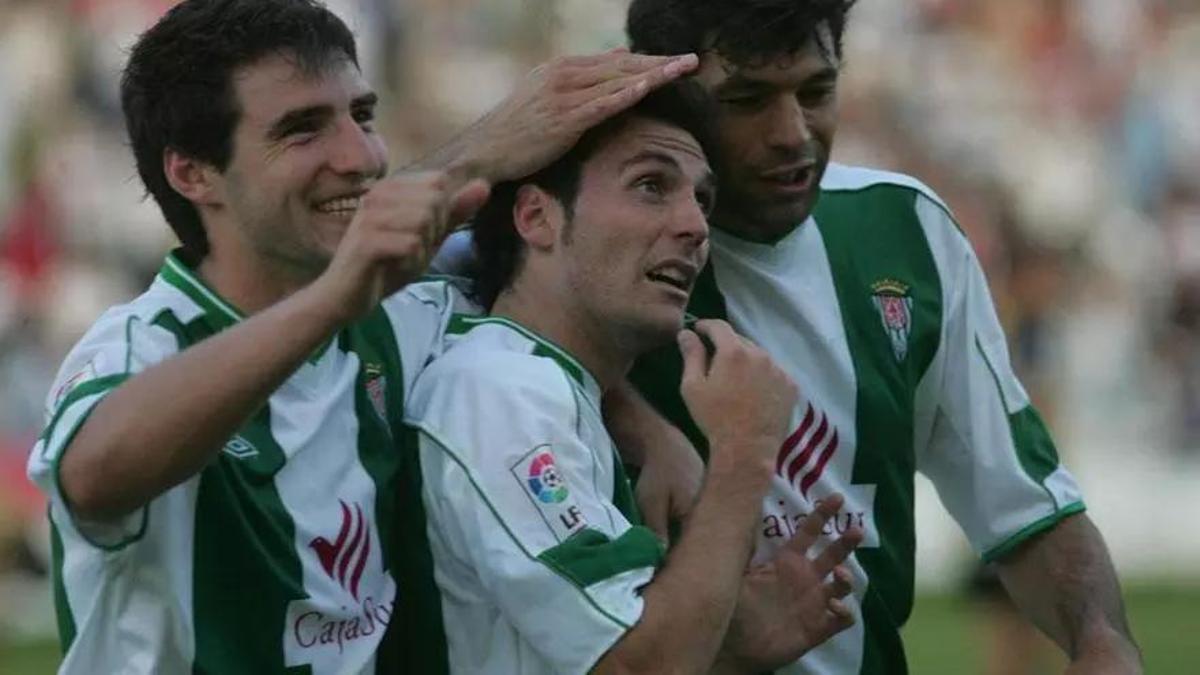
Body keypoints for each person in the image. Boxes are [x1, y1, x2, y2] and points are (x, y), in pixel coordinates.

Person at [422, 1, 1143, 673]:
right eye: (746, 99)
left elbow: (1029, 508)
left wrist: (1103, 643)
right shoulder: (575, 254)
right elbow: (388, 302)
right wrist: (639, 413)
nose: (793, 132)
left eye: (817, 91)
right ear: (663, 86)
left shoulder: (905, 237)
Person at [25, 1, 498, 672]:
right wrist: (331, 300)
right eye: (302, 130)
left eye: (362, 116)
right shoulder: (140, 346)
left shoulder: (402, 319)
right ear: (192, 172)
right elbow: (91, 476)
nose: (361, 157)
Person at [407, 81, 861, 675]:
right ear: (537, 216)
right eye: (652, 185)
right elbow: (637, 669)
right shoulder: (501, 390)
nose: (696, 226)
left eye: (702, 199)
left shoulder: (551, 387)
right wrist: (745, 449)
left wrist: (723, 653)